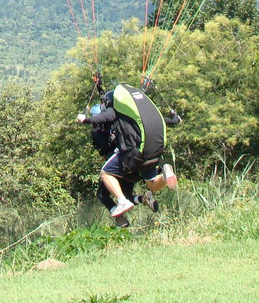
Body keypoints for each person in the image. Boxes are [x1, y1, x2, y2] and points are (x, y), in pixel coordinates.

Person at [76, 82, 181, 222]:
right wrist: (175, 120)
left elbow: (105, 117)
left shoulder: (107, 120)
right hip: (151, 155)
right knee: (153, 185)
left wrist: (86, 120)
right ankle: (165, 175)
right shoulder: (130, 114)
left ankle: (122, 207)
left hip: (131, 158)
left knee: (105, 177)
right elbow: (160, 120)